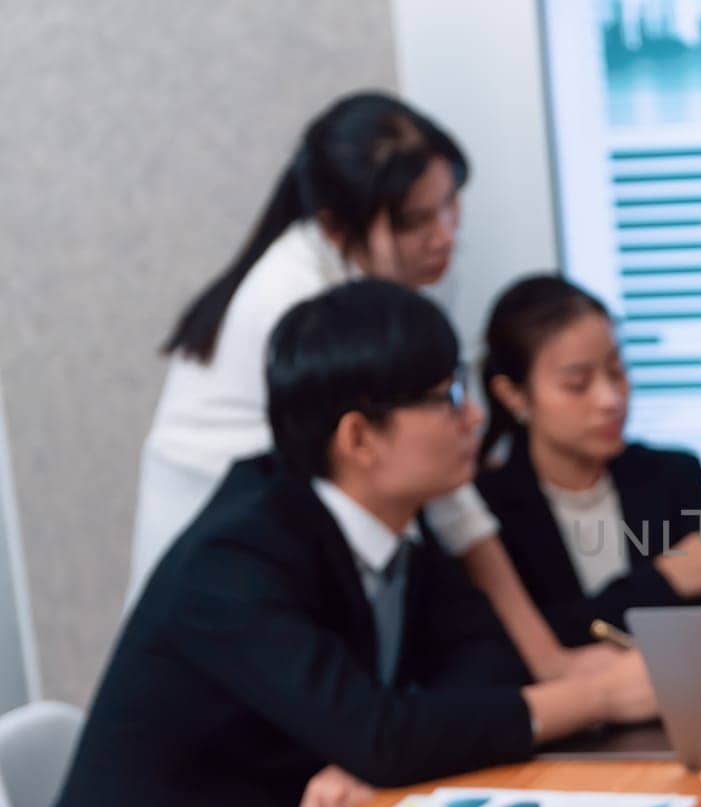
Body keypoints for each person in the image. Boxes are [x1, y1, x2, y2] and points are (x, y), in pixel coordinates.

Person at [39, 281, 658, 807]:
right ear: (359, 437)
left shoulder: (395, 521)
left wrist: (378, 750)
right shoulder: (238, 556)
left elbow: (478, 660)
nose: (474, 417)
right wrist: (598, 695)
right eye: (446, 396)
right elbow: (382, 730)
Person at [131, 90, 602, 681]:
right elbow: (447, 491)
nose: (444, 236)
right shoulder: (299, 304)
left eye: (450, 205)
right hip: (224, 577)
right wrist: (551, 663)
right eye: (414, 221)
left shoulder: (397, 274)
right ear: (334, 225)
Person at [475, 275, 701, 646]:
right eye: (578, 384)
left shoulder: (672, 476)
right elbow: (509, 647)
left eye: (616, 371)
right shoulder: (485, 506)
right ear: (513, 394)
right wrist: (658, 583)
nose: (610, 399)